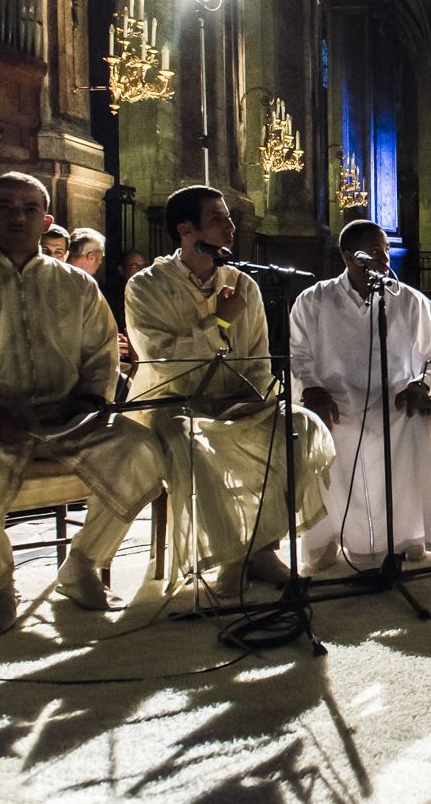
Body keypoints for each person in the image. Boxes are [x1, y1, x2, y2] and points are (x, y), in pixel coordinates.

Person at [0, 172, 164, 637]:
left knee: (143, 451)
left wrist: (90, 405)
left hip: (66, 421)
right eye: (6, 208)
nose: (18, 216)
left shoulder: (77, 285)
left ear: (46, 219)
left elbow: (100, 358)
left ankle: (82, 566)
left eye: (30, 209)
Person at [125, 185, 335, 594]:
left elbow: (258, 358)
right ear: (186, 229)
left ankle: (262, 549)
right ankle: (230, 559)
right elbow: (163, 360)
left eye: (229, 218)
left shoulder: (244, 284)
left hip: (236, 403)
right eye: (218, 219)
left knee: (298, 427)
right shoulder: (145, 286)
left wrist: (255, 398)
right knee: (195, 446)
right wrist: (217, 322)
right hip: (173, 407)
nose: (231, 227)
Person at [291, 221, 431, 569]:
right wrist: (312, 389)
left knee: (416, 424)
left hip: (395, 401)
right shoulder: (314, 301)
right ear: (348, 257)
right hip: (334, 401)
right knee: (318, 430)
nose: (384, 258)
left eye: (385, 250)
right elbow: (298, 355)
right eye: (373, 251)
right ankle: (328, 536)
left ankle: (408, 534)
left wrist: (421, 385)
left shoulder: (410, 301)